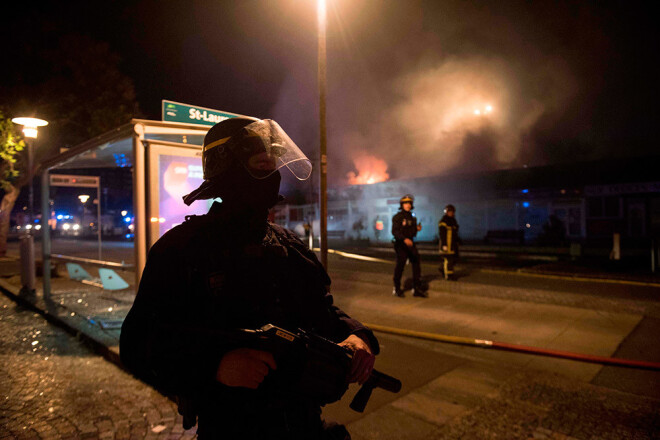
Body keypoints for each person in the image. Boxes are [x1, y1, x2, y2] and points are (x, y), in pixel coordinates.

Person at [120, 117, 378, 439]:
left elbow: (323, 312)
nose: (270, 178)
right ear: (226, 169)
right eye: (259, 166)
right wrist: (215, 366)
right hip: (230, 428)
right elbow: (137, 344)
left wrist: (356, 336)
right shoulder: (182, 249)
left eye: (273, 168)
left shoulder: (289, 244)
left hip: (304, 422)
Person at [391, 194, 426, 298]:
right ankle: (397, 288)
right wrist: (404, 239)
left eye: (409, 203)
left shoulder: (412, 217)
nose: (408, 205)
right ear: (402, 205)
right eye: (405, 203)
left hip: (410, 244)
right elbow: (394, 231)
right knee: (400, 266)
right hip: (400, 244)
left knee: (416, 263)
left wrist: (417, 229)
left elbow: (412, 231)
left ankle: (416, 288)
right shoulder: (397, 217)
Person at [438, 204, 460, 280]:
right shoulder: (443, 221)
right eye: (449, 212)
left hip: (452, 245)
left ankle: (442, 269)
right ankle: (449, 276)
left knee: (453, 260)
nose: (451, 213)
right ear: (446, 212)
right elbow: (442, 234)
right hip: (446, 244)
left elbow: (455, 233)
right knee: (448, 260)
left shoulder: (453, 221)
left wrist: (458, 240)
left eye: (452, 212)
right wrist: (444, 244)